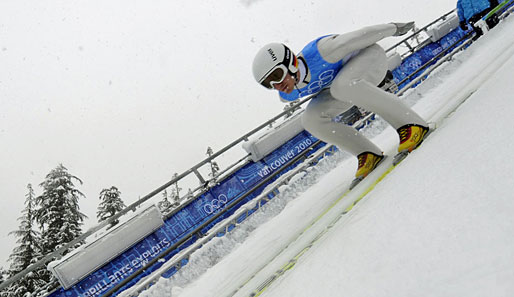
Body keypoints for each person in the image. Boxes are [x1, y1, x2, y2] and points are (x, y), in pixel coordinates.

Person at [252, 23, 429, 185]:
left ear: (290, 62)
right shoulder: (287, 94)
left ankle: (410, 123)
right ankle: (366, 152)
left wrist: (394, 28)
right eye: (269, 83)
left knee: (340, 86)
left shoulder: (322, 51)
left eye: (277, 75)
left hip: (371, 60)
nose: (278, 85)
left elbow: (359, 36)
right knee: (310, 119)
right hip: (345, 85)